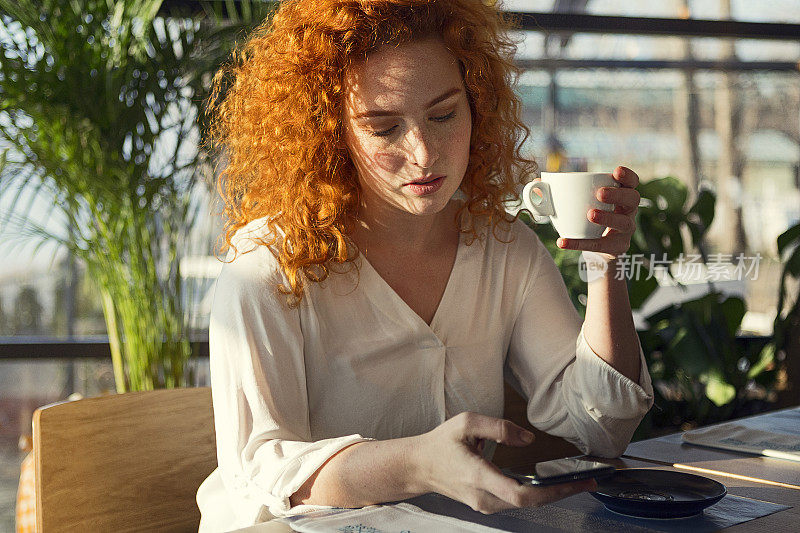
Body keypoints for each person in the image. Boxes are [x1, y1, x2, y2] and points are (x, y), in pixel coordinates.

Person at [196, 0, 654, 530]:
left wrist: (604, 265)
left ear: (476, 105)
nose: (423, 153)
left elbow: (601, 427)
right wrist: (417, 464)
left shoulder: (503, 248)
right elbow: (259, 472)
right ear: (330, 134)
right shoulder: (267, 268)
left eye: (443, 115)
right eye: (384, 128)